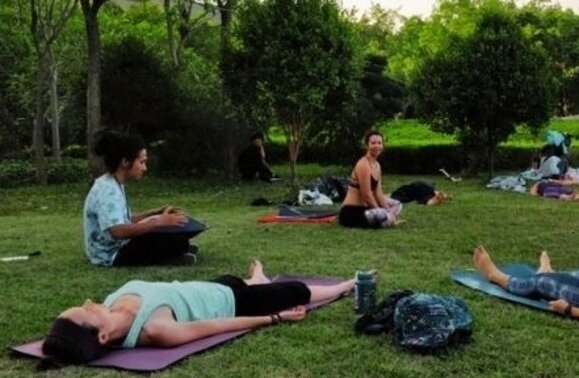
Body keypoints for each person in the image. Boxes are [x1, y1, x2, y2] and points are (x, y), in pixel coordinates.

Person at [41, 260, 356, 364]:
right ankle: (347, 285)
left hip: (205, 286)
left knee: (246, 281)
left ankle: (257, 277)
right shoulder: (156, 330)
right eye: (86, 312)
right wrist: (275, 317)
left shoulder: (111, 301)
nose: (87, 303)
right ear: (103, 335)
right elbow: (219, 324)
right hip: (234, 302)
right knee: (297, 290)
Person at [84, 129, 196, 267]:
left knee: (175, 237)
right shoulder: (107, 189)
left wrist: (155, 213)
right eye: (142, 162)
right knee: (175, 242)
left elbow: (126, 221)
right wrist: (157, 222)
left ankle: (176, 252)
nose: (145, 168)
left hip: (122, 246)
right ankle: (174, 255)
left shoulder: (115, 184)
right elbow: (117, 231)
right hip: (112, 255)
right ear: (125, 162)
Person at [473, 246, 579, 331]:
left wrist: (570, 310)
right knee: (564, 277)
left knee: (539, 283)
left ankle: (494, 275)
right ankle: (548, 273)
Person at [339, 130, 402, 228]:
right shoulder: (363, 165)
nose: (377, 146)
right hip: (351, 212)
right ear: (367, 145)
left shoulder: (377, 165)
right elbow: (366, 195)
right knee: (383, 214)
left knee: (397, 204)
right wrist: (383, 212)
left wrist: (388, 211)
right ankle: (386, 220)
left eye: (379, 143)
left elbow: (378, 194)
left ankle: (387, 220)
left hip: (366, 209)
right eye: (373, 143)